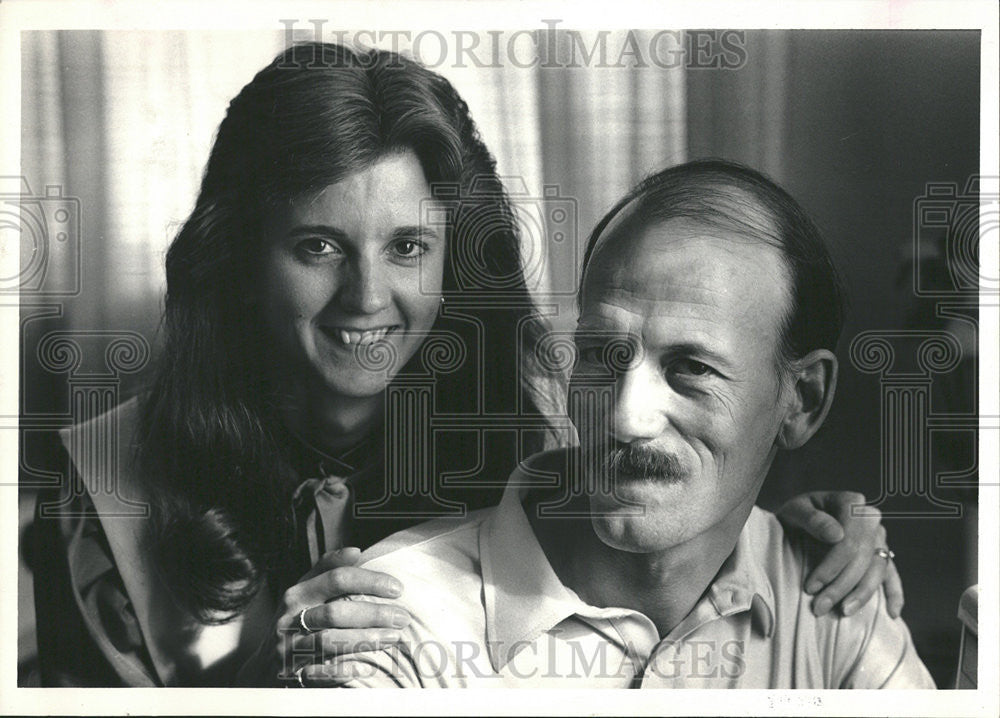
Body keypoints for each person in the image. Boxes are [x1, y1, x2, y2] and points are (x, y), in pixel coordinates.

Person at [31, 43, 900, 687]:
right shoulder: (102, 492)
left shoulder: (504, 421)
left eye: (408, 246)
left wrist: (781, 529)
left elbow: (658, 511)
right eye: (317, 245)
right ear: (240, 260)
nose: (366, 298)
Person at [322, 159, 934, 688]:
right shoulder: (388, 618)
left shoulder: (836, 599)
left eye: (691, 367)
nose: (625, 416)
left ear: (801, 401)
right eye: (602, 355)